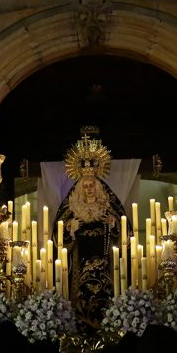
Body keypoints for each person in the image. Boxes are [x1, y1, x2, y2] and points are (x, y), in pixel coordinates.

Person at [53, 128, 128, 332]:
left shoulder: (109, 206)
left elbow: (125, 234)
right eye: (85, 186)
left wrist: (114, 225)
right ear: (79, 188)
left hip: (106, 268)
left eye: (92, 185)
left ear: (99, 186)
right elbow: (56, 236)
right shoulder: (70, 209)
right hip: (79, 265)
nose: (89, 189)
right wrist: (69, 229)